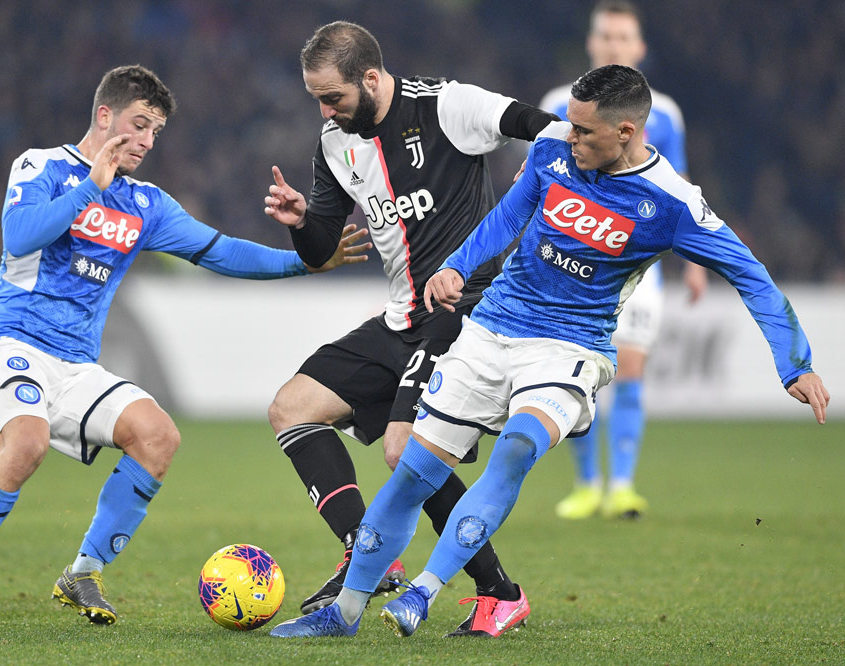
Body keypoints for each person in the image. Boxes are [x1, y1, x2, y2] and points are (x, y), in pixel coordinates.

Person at [269, 64, 830, 638]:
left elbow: (751, 276)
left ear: (627, 133)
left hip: (570, 348)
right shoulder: (553, 149)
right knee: (413, 469)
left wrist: (795, 363)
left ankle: (425, 591)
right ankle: (344, 615)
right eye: (570, 125)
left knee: (516, 447)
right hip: (492, 328)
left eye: (585, 131)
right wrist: (458, 266)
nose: (570, 135)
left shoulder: (672, 203)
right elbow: (510, 214)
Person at [0, 64, 368, 628]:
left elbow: (222, 251)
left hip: (77, 365)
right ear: (104, 116)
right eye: (138, 124)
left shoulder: (146, 204)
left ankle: (83, 571)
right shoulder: (44, 167)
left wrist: (305, 261)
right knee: (26, 444)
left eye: (155, 131)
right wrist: (91, 186)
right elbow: (18, 237)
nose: (147, 141)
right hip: (12, 346)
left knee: (158, 436)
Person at [262, 20, 559, 637]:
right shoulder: (334, 142)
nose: (324, 110)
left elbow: (542, 123)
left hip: (464, 313)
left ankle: (497, 593)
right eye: (316, 98)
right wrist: (299, 222)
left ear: (371, 78)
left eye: (333, 97)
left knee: (404, 450)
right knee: (292, 408)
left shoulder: (448, 106)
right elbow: (321, 249)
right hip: (403, 318)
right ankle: (368, 550)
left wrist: (540, 160)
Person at [539, 0, 708, 520]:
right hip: (571, 259)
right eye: (605, 37)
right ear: (592, 44)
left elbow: (679, 192)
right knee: (576, 371)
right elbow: (539, 183)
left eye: (623, 38)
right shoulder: (556, 103)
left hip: (637, 265)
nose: (613, 45)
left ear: (639, 48)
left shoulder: (667, 113)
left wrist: (695, 262)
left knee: (630, 367)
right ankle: (587, 484)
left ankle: (623, 487)